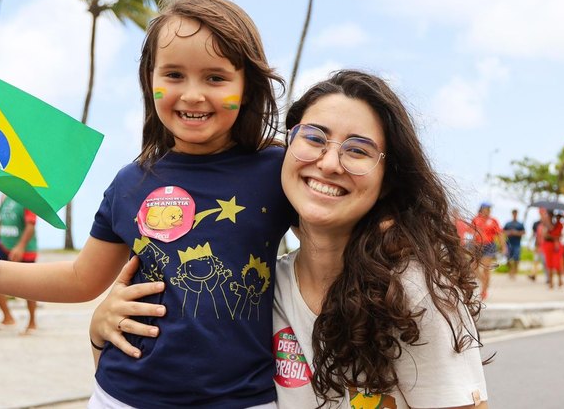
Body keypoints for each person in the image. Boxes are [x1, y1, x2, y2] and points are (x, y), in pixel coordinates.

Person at [0, 0, 295, 408]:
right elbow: (82, 279)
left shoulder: (279, 170)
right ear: (150, 80)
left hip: (247, 399)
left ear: (247, 86)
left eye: (215, 77)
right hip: (123, 395)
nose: (192, 94)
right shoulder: (130, 183)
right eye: (174, 75)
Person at [91, 71, 490, 407]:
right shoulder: (265, 289)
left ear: (386, 182)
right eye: (314, 138)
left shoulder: (412, 292)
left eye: (358, 150)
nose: (329, 163)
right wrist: (100, 330)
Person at [0, 195, 39, 334]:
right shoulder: (4, 197)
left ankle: (32, 322)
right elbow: (1, 222)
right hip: (3, 245)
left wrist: (20, 246)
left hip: (25, 249)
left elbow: (31, 225)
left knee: (30, 287)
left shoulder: (27, 198)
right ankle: (8, 318)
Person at [471, 202, 502, 300]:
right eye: (486, 208)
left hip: (489, 245)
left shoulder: (493, 220)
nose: (488, 211)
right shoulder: (476, 219)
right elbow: (472, 232)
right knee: (473, 267)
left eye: (489, 209)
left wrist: (503, 246)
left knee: (486, 268)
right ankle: (484, 281)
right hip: (477, 245)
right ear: (482, 209)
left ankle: (484, 291)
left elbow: (499, 234)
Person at [503, 208, 526, 280]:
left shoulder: (520, 224)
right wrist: (509, 233)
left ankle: (514, 272)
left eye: (516, 214)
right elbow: (503, 231)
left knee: (516, 259)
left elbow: (524, 232)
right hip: (508, 243)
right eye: (514, 213)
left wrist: (516, 233)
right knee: (508, 259)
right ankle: (510, 270)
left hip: (517, 244)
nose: (515, 215)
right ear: (512, 214)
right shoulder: (508, 223)